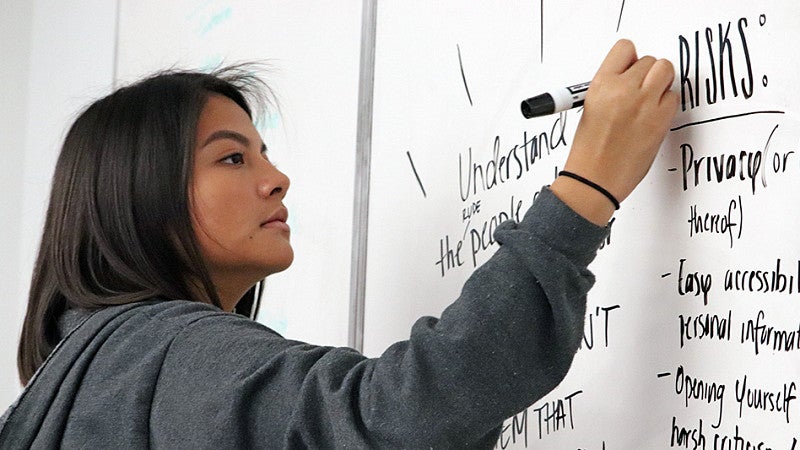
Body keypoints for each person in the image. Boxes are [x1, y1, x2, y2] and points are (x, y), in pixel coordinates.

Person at [0, 39, 677, 448]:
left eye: (263, 154)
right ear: (141, 196)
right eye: (233, 159)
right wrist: (586, 187)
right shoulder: (165, 353)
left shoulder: (78, 377)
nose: (277, 179)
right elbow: (402, 419)